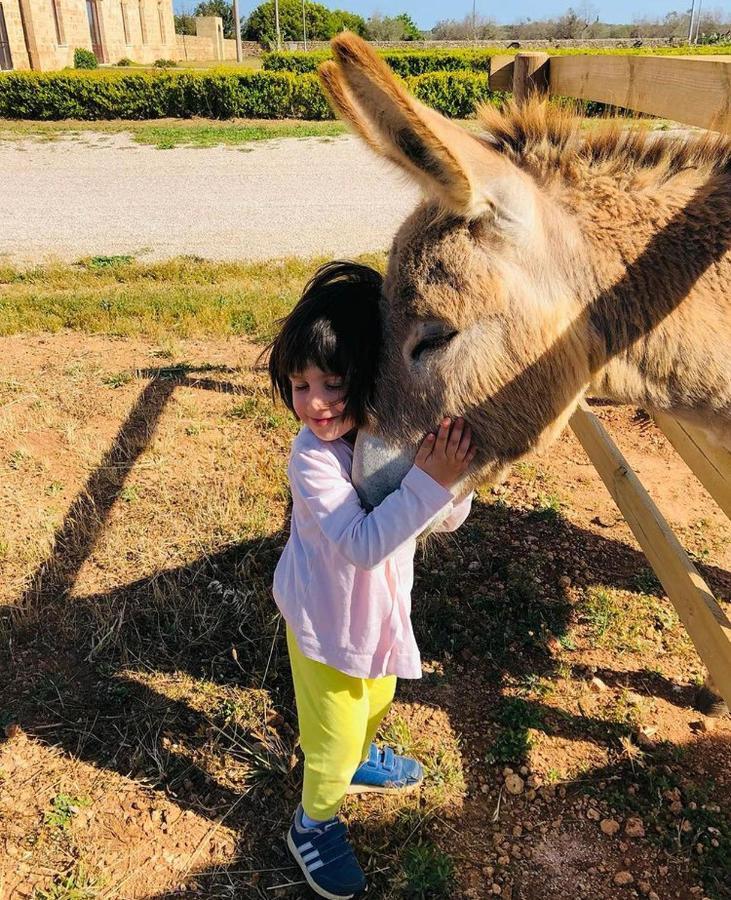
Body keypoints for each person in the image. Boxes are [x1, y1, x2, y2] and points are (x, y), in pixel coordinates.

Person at [265, 261, 474, 899]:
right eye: (300, 385)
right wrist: (429, 483)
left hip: (378, 613)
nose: (316, 403)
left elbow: (441, 518)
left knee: (377, 702)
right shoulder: (312, 457)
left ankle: (357, 759)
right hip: (326, 622)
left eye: (333, 382)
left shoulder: (385, 440)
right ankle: (313, 823)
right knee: (330, 742)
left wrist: (450, 483)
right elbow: (362, 544)